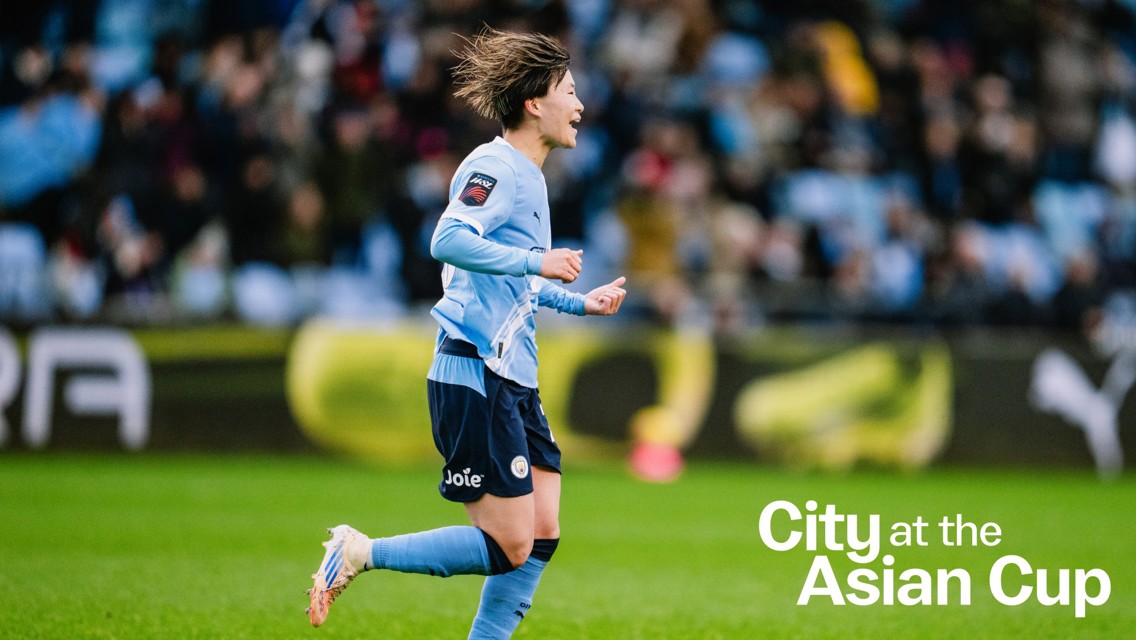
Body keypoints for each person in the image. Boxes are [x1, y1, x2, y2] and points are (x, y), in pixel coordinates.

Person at [306, 28, 628, 638]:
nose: (580, 105)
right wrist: (537, 260)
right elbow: (448, 239)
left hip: (513, 377)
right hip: (475, 369)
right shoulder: (494, 166)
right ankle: (359, 551)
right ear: (533, 103)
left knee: (542, 532)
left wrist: (578, 303)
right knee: (509, 544)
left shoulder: (529, 175)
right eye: (569, 91)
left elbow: (510, 280)